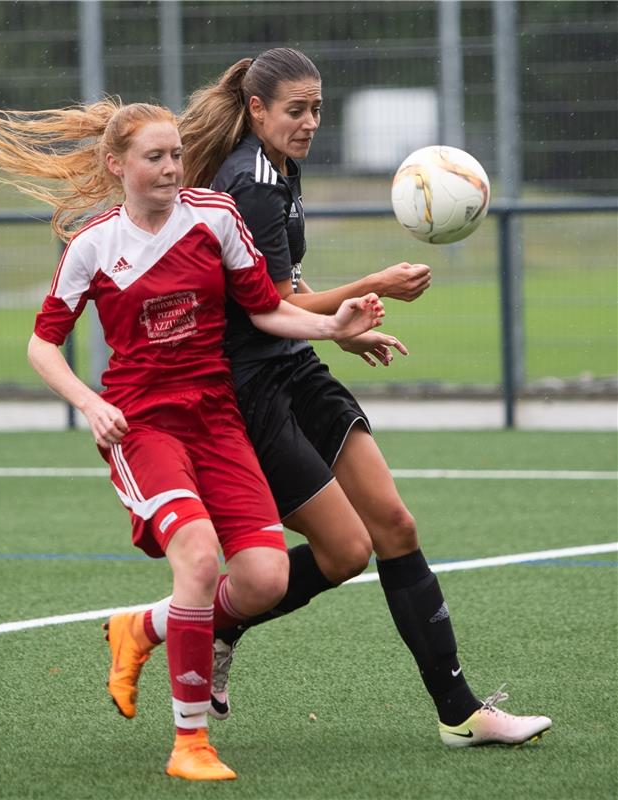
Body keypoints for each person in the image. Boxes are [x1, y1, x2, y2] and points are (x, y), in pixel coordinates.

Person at [0, 98, 390, 780]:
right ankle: (189, 744)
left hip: (216, 418)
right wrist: (89, 404)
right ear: (116, 165)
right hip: (141, 423)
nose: (170, 168)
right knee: (198, 555)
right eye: (154, 157)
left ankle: (142, 628)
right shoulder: (93, 244)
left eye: (176, 155)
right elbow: (42, 345)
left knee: (266, 578)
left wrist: (335, 326)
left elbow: (265, 307)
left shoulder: (214, 216)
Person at [122, 48, 551, 749]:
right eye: (296, 109)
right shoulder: (249, 182)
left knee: (394, 526)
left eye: (317, 108)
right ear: (256, 110)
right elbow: (262, 308)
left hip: (294, 366)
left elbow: (284, 293)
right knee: (346, 550)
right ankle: (199, 620)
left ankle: (461, 714)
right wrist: (368, 286)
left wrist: (339, 332)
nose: (311, 121)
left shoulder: (278, 169)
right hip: (250, 391)